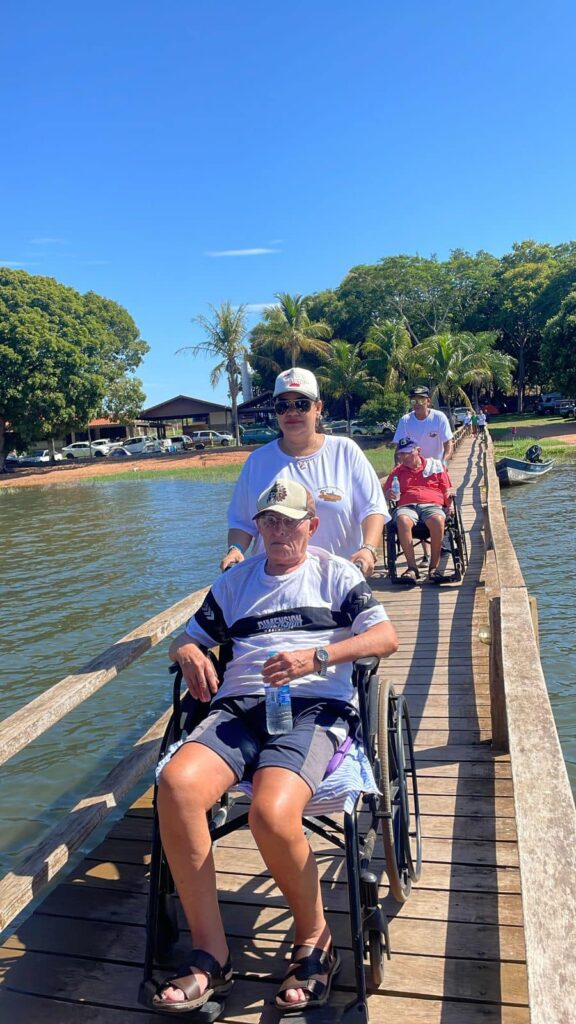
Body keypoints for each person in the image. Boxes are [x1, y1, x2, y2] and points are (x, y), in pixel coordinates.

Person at [155, 480, 398, 1013]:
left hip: (312, 707)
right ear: (258, 526)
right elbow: (189, 636)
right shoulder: (234, 582)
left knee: (270, 810)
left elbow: (385, 638)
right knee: (175, 785)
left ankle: (316, 940)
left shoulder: (338, 573)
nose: (280, 531)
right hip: (240, 707)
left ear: (312, 524)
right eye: (270, 522)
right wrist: (189, 650)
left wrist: (317, 657)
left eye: (291, 521)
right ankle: (211, 954)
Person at [221, 367, 388, 578]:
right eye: (283, 406)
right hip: (273, 585)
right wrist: (235, 549)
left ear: (317, 408)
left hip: (338, 582)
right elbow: (241, 522)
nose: (292, 412)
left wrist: (369, 549)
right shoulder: (257, 461)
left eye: (301, 404)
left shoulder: (345, 451)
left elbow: (373, 509)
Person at [383, 437, 453, 584]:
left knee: (438, 520)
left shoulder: (435, 466)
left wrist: (449, 504)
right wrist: (388, 493)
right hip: (406, 506)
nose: (405, 457)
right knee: (402, 520)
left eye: (408, 453)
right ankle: (412, 568)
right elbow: (385, 492)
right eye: (401, 454)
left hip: (432, 504)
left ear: (418, 451)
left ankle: (434, 567)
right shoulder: (397, 472)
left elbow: (447, 490)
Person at [393, 386, 453, 464]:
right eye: (413, 401)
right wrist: (398, 467)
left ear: (428, 401)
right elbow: (399, 449)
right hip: (414, 468)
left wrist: (444, 463)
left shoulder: (439, 417)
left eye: (421, 400)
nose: (417, 404)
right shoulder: (405, 420)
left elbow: (448, 443)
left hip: (436, 467)